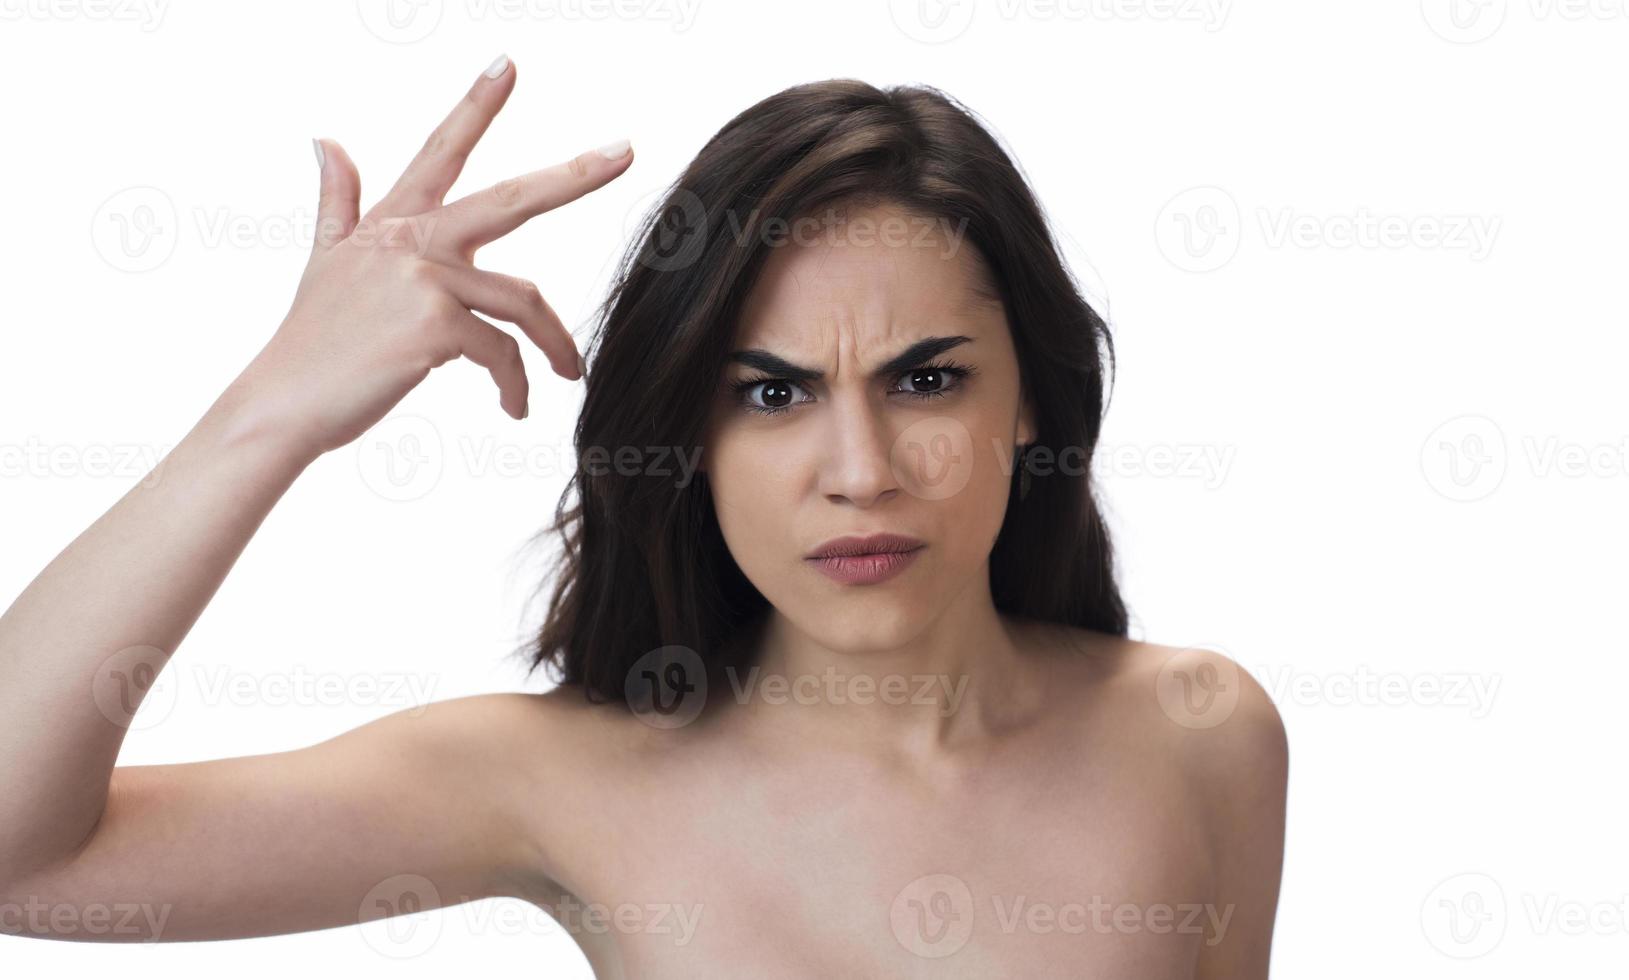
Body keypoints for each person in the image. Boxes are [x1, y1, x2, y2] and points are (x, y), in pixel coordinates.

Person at [0, 53, 1287, 977]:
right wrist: (270, 409)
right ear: (691, 438)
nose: (861, 468)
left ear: (1029, 405)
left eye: (928, 379)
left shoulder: (1199, 735)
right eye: (773, 393)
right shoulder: (556, 779)